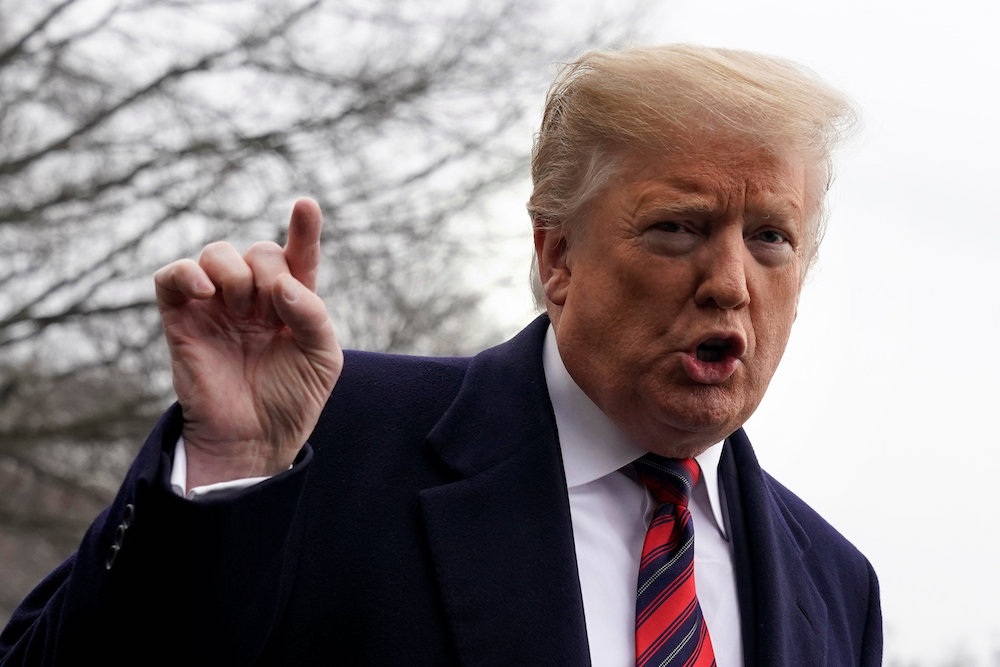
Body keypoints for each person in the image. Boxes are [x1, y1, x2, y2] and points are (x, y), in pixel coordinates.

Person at [0, 44, 881, 666]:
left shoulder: (837, 585)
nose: (729, 282)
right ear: (557, 257)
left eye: (771, 237)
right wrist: (231, 470)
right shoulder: (321, 438)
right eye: (678, 227)